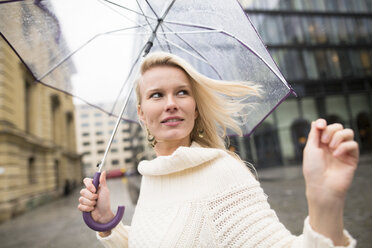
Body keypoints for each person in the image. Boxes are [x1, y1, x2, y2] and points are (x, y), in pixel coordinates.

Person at [78, 52, 359, 247]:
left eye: (182, 92)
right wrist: (106, 222)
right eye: (156, 95)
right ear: (141, 113)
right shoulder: (151, 176)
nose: (171, 103)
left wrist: (325, 202)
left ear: (195, 107)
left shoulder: (222, 172)